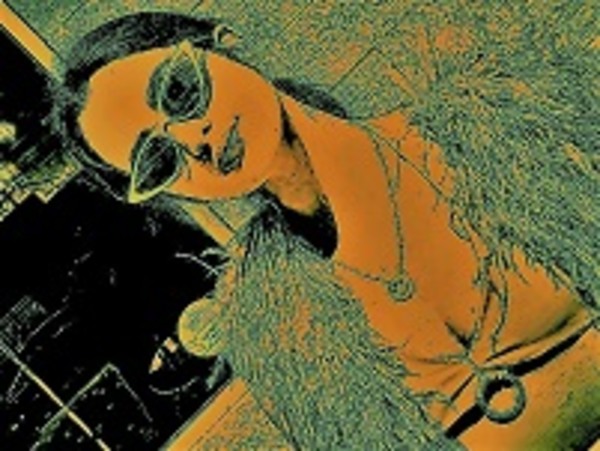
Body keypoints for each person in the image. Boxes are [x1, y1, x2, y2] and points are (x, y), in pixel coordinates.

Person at [51, 10, 599, 450]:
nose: (196, 141)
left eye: (179, 91)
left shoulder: (495, 128)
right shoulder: (272, 324)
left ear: (223, 44)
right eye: (157, 161)